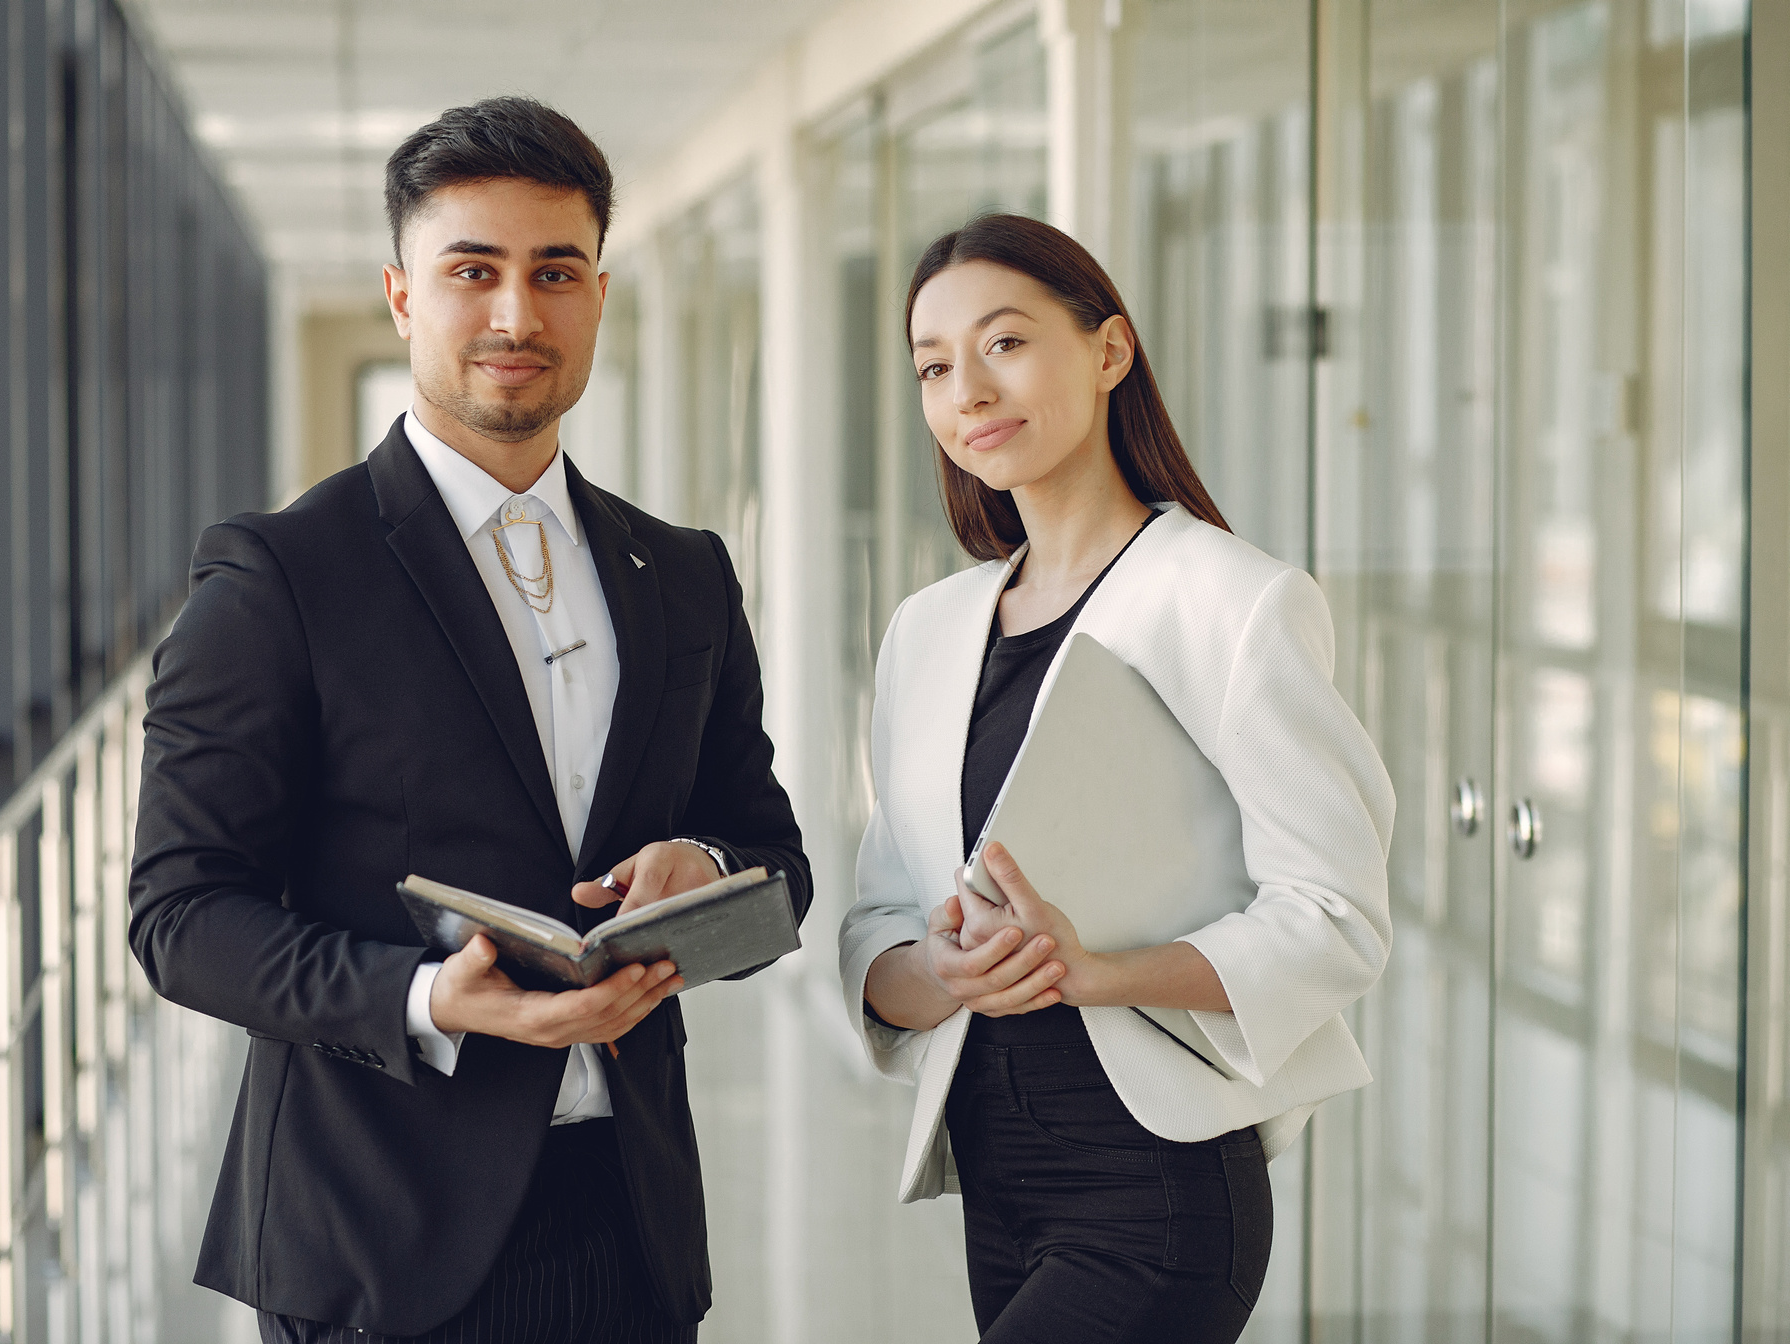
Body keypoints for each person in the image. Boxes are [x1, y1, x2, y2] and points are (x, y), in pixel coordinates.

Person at [129, 96, 810, 1344]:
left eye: (554, 272)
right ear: (402, 295)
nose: (516, 313)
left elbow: (775, 861)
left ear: (598, 294)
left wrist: (704, 869)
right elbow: (179, 917)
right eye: (472, 271)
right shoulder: (279, 574)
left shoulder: (686, 573)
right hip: (377, 1238)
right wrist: (432, 997)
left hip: (631, 1226)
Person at [838, 213, 1394, 1343]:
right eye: (934, 368)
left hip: (1157, 1184)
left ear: (1108, 351)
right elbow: (875, 932)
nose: (968, 392)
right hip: (995, 1179)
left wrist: (1100, 971)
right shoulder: (928, 630)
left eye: (1004, 343)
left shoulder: (1233, 602)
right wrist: (941, 969)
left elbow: (1337, 918)